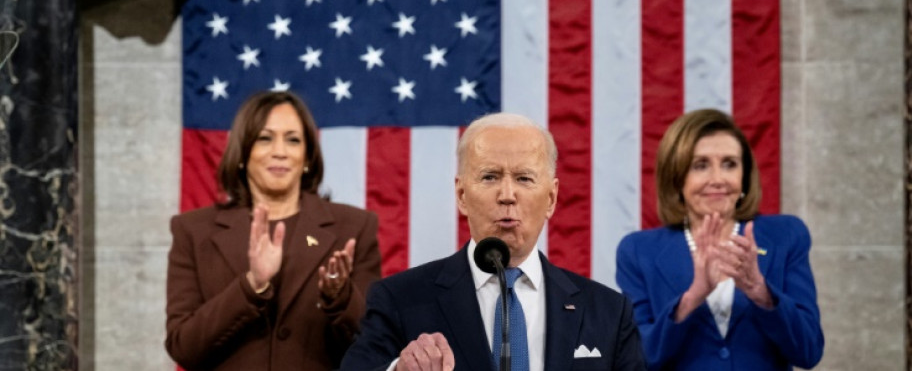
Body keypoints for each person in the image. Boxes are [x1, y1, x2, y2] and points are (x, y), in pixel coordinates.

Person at [340, 112, 646, 371]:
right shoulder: (400, 299)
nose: (507, 195)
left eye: (524, 178)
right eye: (490, 177)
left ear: (551, 198)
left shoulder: (607, 311)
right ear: (461, 195)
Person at [165, 91, 381, 370]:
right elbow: (183, 347)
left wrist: (340, 298)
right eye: (265, 138)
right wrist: (251, 285)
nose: (279, 151)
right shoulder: (193, 231)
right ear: (243, 153)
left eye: (293, 139)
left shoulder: (354, 228)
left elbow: (375, 344)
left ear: (306, 157)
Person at [615, 109, 824, 370]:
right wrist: (693, 297)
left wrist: (761, 293)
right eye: (700, 165)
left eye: (729, 164)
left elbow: (809, 351)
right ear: (677, 178)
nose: (717, 179)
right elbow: (637, 359)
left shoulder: (786, 236)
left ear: (744, 176)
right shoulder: (638, 251)